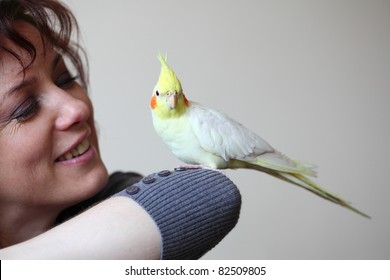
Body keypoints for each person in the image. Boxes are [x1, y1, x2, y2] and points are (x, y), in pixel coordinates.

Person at [0, 0, 241, 259]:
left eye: (65, 79)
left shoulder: (117, 196)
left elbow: (210, 195)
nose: (77, 108)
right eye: (25, 108)